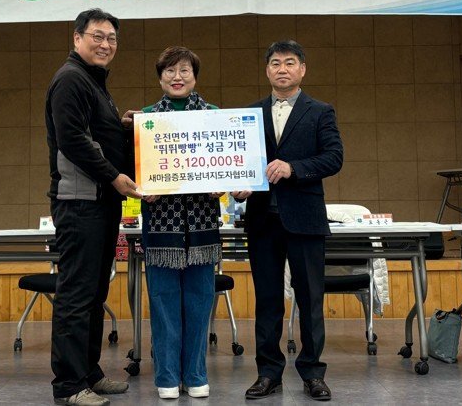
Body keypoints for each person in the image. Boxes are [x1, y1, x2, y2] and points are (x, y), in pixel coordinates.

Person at [234, 40, 343, 402]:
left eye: (290, 62)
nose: (282, 69)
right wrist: (239, 186)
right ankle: (268, 373)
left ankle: (313, 372)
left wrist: (293, 168)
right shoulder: (249, 113)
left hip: (305, 219)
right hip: (262, 219)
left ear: (302, 69)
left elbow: (334, 158)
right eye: (276, 63)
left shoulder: (320, 111)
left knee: (310, 298)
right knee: (267, 300)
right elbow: (240, 161)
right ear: (267, 70)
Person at [46, 8, 140, 406]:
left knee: (95, 291)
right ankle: (69, 385)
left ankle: (89, 372)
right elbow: (73, 140)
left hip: (100, 203)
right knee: (76, 294)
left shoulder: (93, 81)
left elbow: (95, 132)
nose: (105, 44)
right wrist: (114, 177)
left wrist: (121, 125)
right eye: (97, 36)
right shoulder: (71, 79)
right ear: (77, 38)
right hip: (80, 203)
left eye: (112, 38)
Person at [133, 47, 222, 400]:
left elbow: (228, 164)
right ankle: (167, 376)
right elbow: (132, 171)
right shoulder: (146, 119)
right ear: (160, 78)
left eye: (184, 70)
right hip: (161, 227)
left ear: (195, 76)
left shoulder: (214, 116)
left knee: (200, 303)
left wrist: (224, 184)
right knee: (163, 302)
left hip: (202, 226)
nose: (177, 77)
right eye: (169, 71)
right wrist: (142, 190)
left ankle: (196, 374)